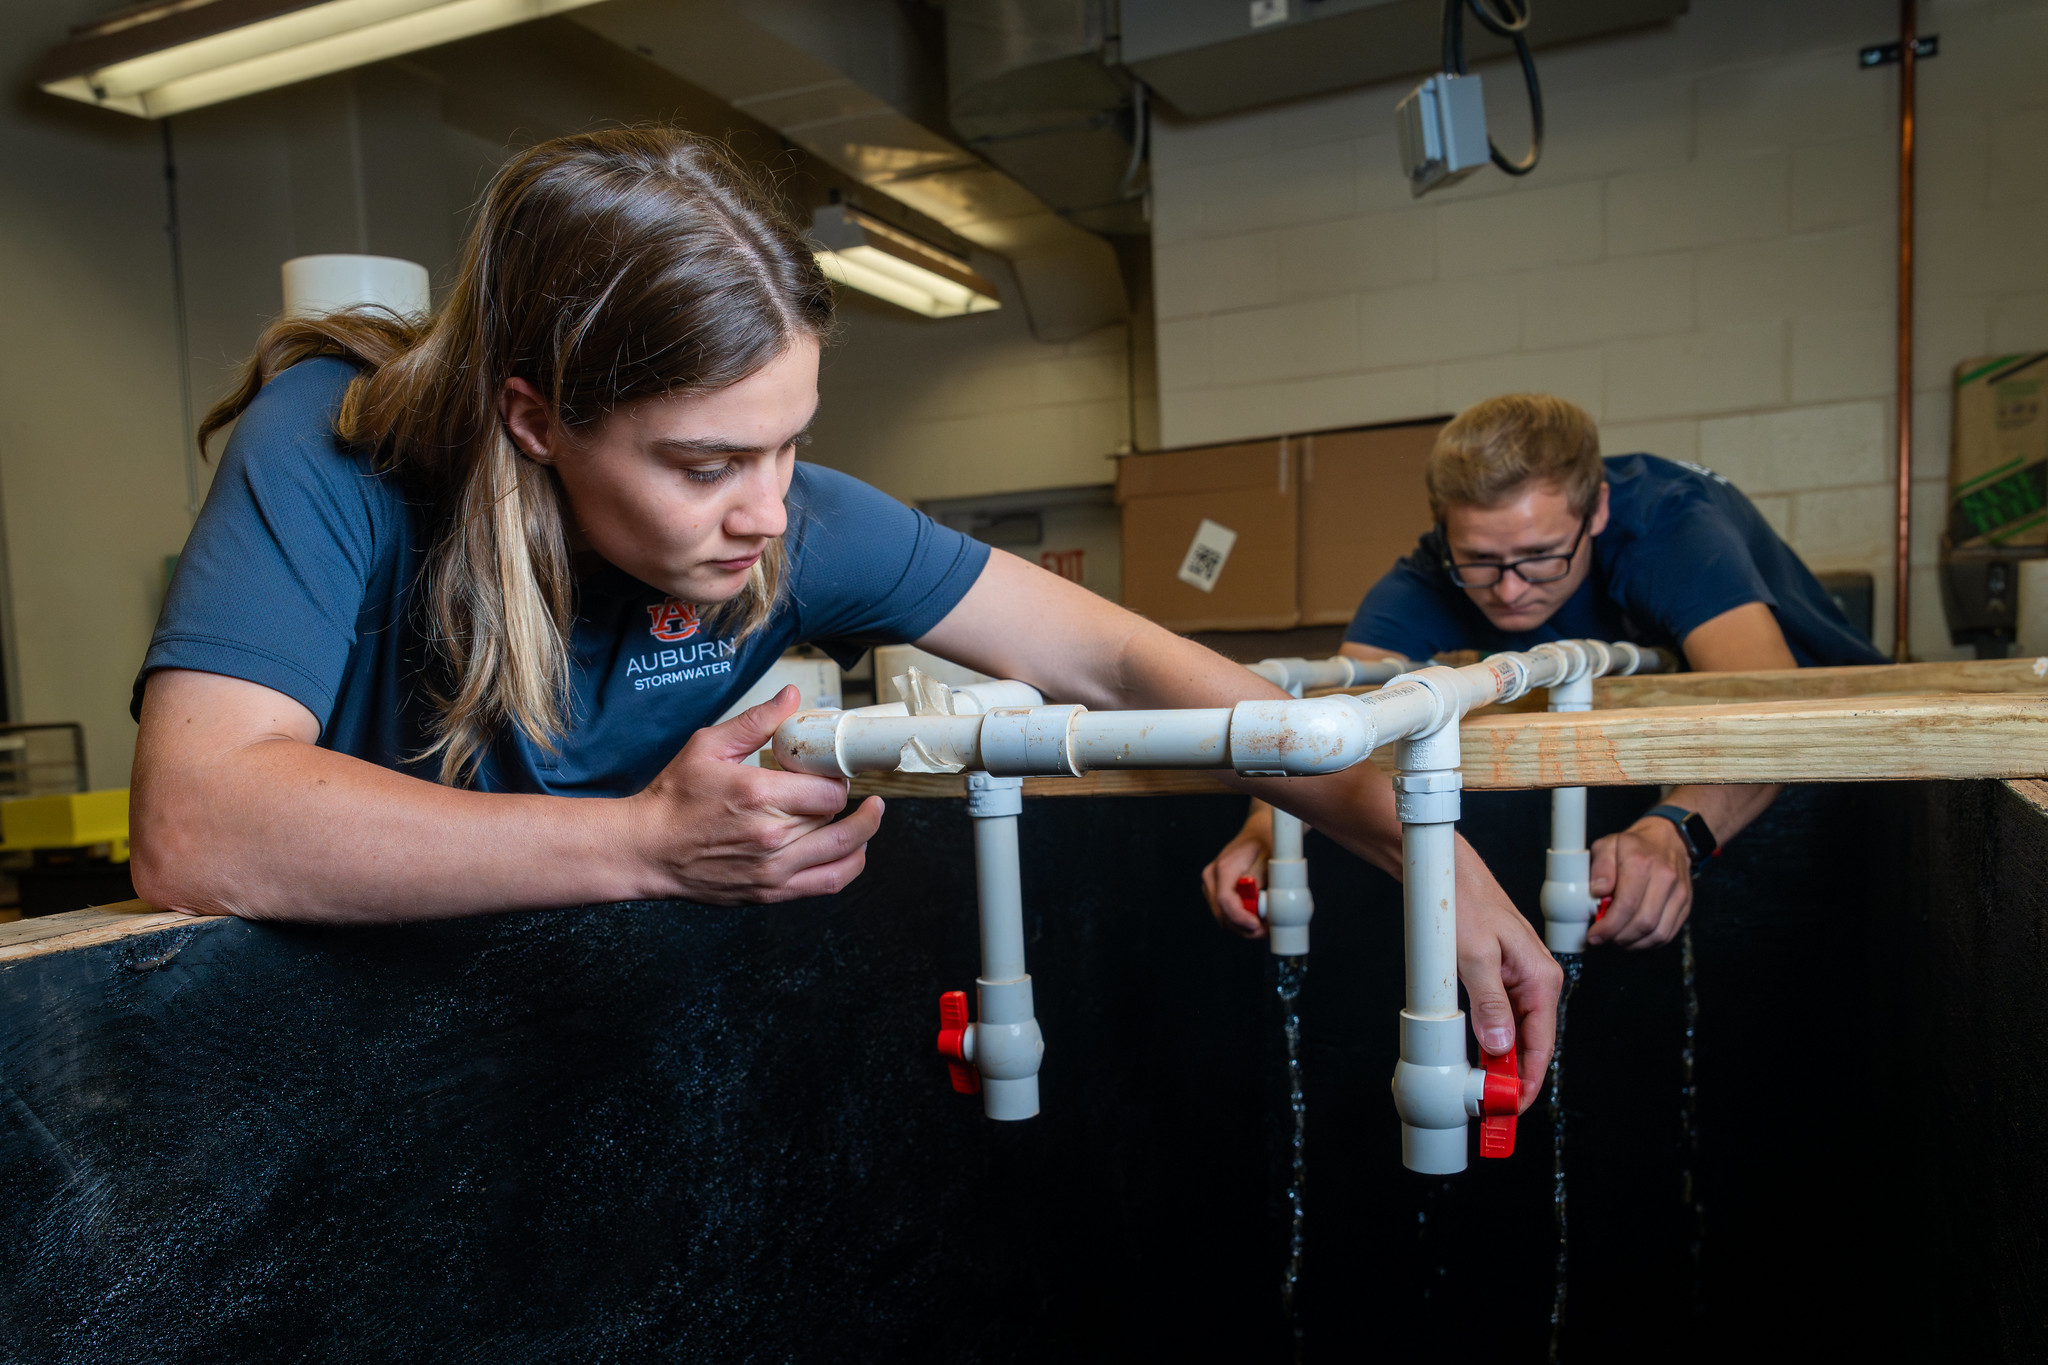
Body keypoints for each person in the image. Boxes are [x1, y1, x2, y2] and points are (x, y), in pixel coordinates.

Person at [127, 129, 1558, 1107]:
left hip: (578, 1054)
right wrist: (646, 844)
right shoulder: (331, 449)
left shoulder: (787, 519)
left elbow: (1120, 656)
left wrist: (1429, 859)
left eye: (791, 444)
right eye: (704, 464)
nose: (766, 513)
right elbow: (199, 817)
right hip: (328, 1066)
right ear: (534, 417)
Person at [1202, 393, 1886, 950]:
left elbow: (1767, 718)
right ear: (1444, 529)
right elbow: (1337, 719)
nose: (1508, 589)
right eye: (1479, 561)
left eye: (1540, 556)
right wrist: (1268, 827)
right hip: (1692, 772)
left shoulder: (1672, 526)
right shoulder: (1431, 571)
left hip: (1847, 752)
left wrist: (1676, 828)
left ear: (1598, 512)